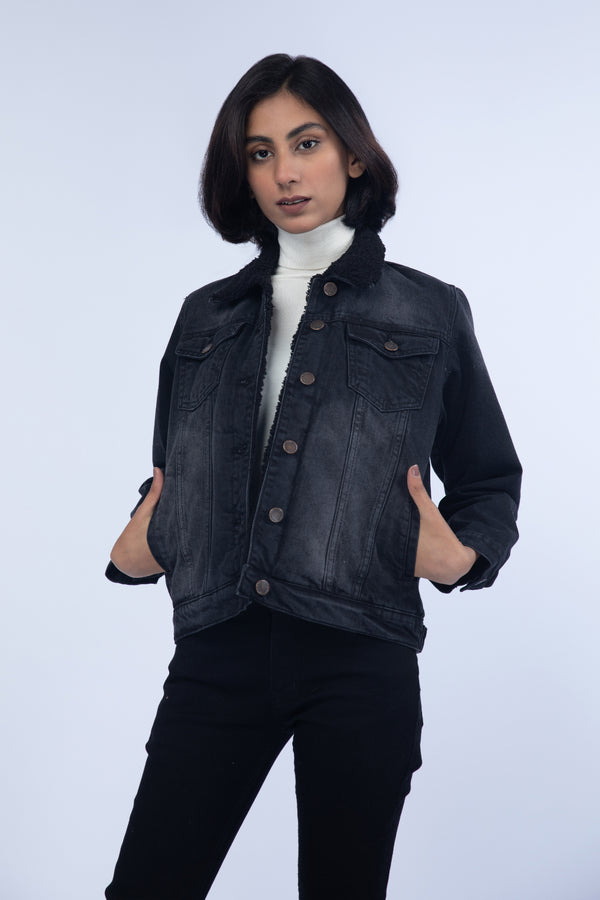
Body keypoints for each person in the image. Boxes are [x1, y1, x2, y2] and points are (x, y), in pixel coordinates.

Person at [104, 54, 521, 899]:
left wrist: (464, 556)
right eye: (260, 153)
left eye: (306, 143)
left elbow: (488, 476)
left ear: (353, 155)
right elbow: (174, 467)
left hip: (360, 649)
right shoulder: (205, 314)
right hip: (219, 645)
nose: (285, 173)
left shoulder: (428, 309)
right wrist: (143, 539)